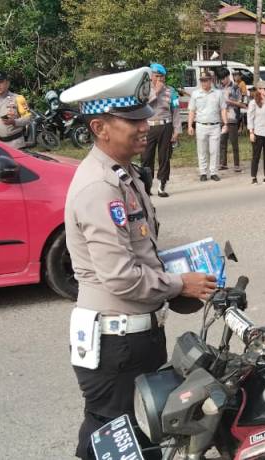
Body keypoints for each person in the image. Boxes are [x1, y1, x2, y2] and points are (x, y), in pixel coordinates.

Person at [59, 67, 217, 460]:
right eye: (132, 120)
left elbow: (142, 251)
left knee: (115, 437)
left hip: (133, 337)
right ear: (99, 127)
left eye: (144, 116)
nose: (145, 125)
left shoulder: (122, 174)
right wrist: (181, 285)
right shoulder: (100, 187)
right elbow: (122, 277)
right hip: (117, 343)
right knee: (116, 437)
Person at [143, 63, 181, 198]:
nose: (159, 79)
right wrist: (156, 92)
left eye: (162, 77)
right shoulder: (145, 90)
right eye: (157, 76)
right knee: (146, 157)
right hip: (149, 126)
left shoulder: (171, 91)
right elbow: (143, 104)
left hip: (166, 126)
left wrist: (177, 131)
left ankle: (162, 185)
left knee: (164, 157)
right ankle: (146, 187)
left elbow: (175, 111)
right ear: (151, 77)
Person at [188, 70, 228, 182]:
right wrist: (190, 125)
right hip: (201, 125)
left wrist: (225, 123)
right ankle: (203, 172)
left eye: (206, 80)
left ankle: (214, 172)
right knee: (202, 150)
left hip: (215, 126)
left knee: (214, 150)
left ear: (211, 80)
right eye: (202, 81)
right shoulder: (196, 94)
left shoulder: (218, 93)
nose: (204, 83)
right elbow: (192, 110)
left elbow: (223, 109)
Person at [0, 71, 32, 149]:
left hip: (15, 144)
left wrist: (14, 122)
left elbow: (28, 118)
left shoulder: (18, 98)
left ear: (7, 83)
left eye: (1, 81)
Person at [217, 68, 244, 173]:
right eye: (220, 79)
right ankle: (223, 163)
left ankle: (236, 164)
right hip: (221, 119)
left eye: (223, 78)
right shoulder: (219, 88)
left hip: (232, 118)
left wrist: (228, 100)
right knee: (222, 142)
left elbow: (241, 104)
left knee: (234, 142)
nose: (222, 81)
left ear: (228, 76)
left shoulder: (236, 88)